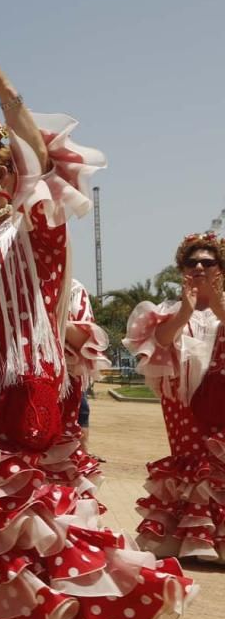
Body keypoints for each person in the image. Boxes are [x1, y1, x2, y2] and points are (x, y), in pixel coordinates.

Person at [0, 52, 193, 619]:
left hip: (16, 386)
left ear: (3, 180)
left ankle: (58, 612)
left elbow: (37, 165)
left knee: (20, 501)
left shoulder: (33, 228)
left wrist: (5, 92)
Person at [125, 231, 225, 562]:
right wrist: (186, 311)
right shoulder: (167, 309)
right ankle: (191, 538)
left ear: (220, 267)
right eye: (191, 261)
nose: (199, 267)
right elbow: (161, 342)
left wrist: (218, 304)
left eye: (207, 262)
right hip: (183, 405)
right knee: (192, 463)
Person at [64, 278, 110, 473]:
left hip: (66, 380)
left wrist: (52, 314)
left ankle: (81, 455)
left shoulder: (73, 288)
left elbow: (85, 339)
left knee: (79, 416)